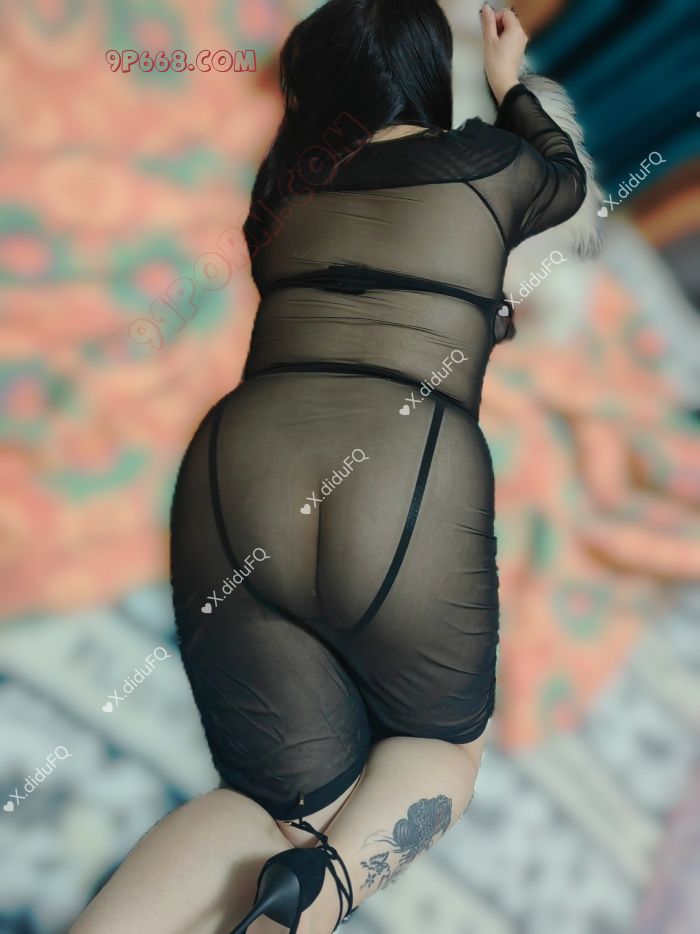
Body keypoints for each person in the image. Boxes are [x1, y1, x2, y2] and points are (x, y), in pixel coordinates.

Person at [71, 2, 587, 932]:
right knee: (440, 747)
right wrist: (508, 80)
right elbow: (565, 178)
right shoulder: (491, 165)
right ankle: (314, 900)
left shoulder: (282, 192)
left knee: (271, 801)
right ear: (429, 73)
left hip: (238, 471)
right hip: (402, 464)